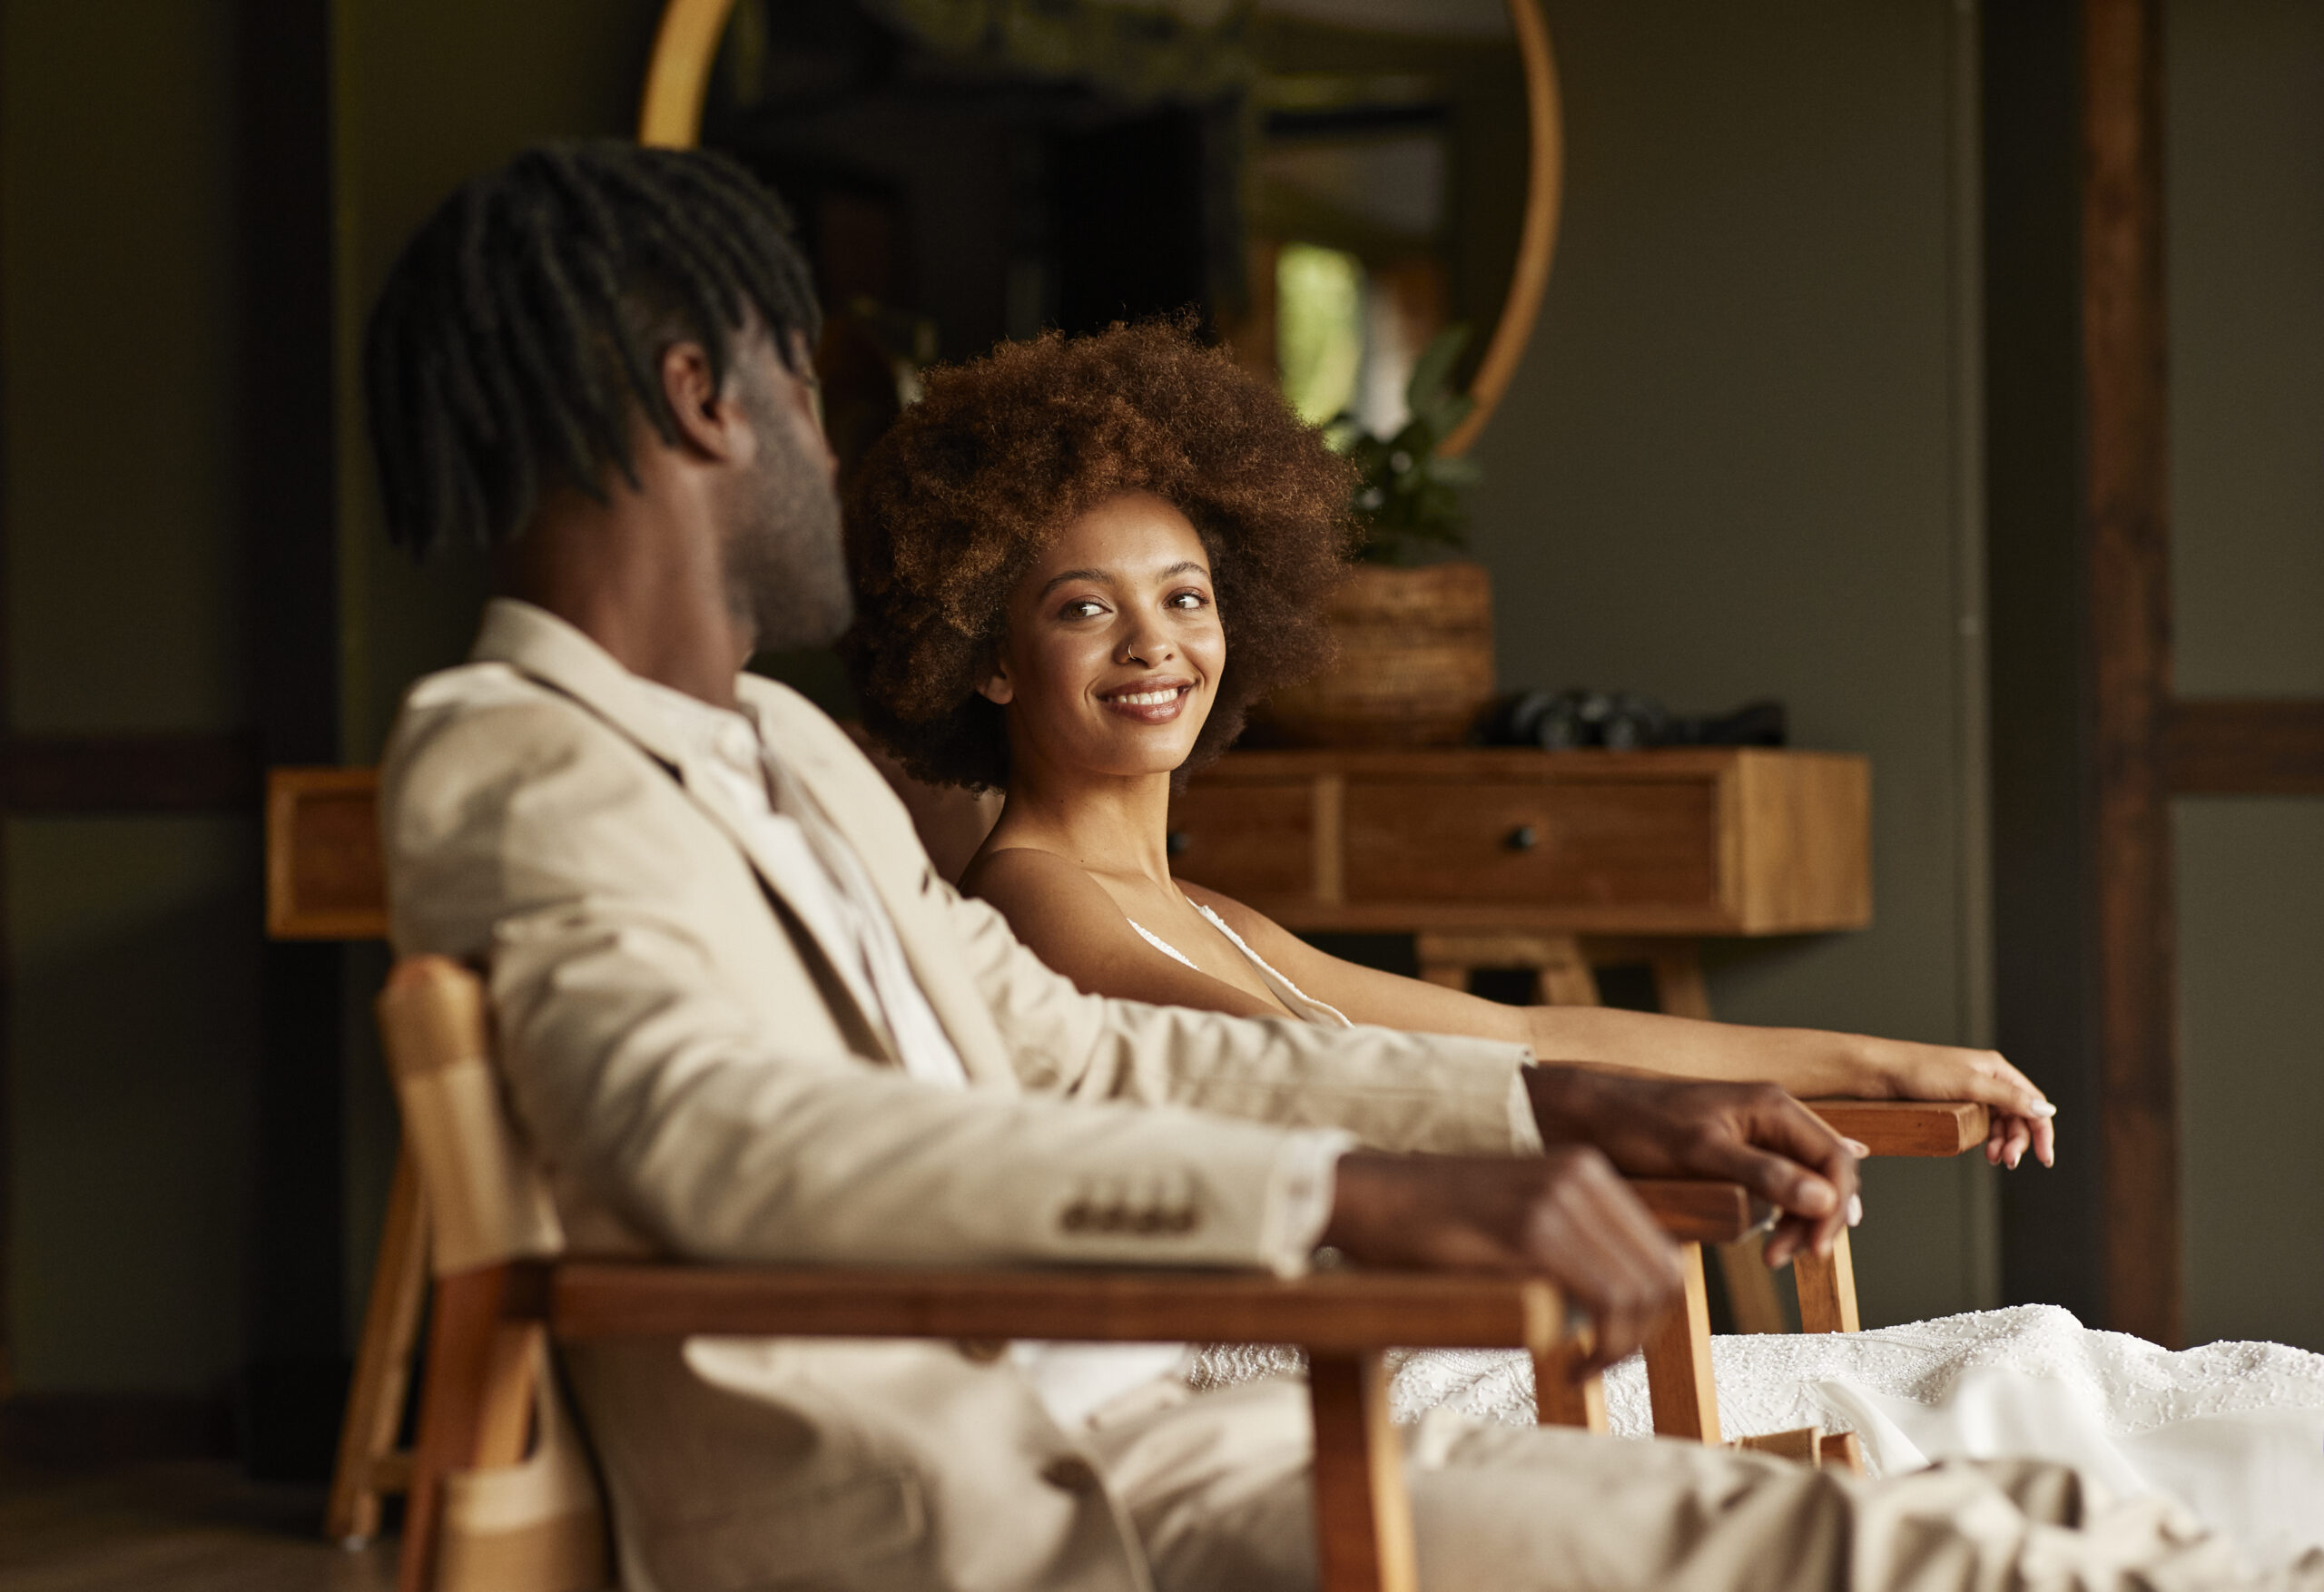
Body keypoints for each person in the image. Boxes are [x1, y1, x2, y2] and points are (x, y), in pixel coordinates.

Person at [367, 139, 2314, 1591]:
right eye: (799, 388)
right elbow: (729, 1142)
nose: (820, 440)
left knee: (2034, 1520)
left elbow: (1077, 1051)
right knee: (1928, 1556)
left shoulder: (777, 747)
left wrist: (1555, 1092)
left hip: (1184, 1419)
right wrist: (1352, 1195)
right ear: (706, 397)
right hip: (990, 1495)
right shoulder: (519, 760)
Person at [840, 321, 2324, 1566]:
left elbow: (1530, 1040)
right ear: (981, 649)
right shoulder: (1040, 902)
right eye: (1084, 609)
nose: (1154, 643)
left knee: (2124, 1387)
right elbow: (1325, 1081)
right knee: (2054, 1398)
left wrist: (1886, 1055)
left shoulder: (1211, 911)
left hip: (1491, 1349)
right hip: (1406, 1384)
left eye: (1187, 597)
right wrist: (1632, 1133)